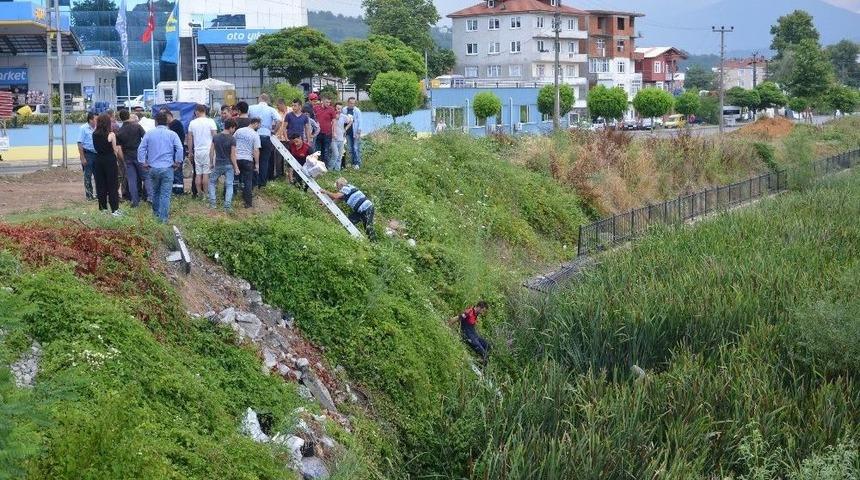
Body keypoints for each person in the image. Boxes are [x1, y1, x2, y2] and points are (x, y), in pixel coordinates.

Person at [139, 111, 184, 223]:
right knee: (165, 194)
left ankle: (155, 215)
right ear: (167, 122)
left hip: (153, 168)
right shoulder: (172, 134)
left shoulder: (149, 134)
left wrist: (143, 162)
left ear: (156, 122)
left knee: (155, 192)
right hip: (167, 168)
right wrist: (177, 162)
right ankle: (163, 219)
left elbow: (141, 148)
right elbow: (180, 148)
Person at [116, 110, 148, 207]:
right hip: (139, 155)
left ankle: (135, 201)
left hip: (127, 156)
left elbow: (118, 148)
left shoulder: (120, 131)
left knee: (132, 180)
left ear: (120, 118)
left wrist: (123, 159)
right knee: (146, 176)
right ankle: (150, 196)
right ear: (129, 116)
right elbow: (146, 138)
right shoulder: (137, 127)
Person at [91, 113, 122, 216]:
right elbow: (115, 150)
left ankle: (103, 209)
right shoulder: (111, 134)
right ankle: (114, 209)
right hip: (110, 160)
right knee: (112, 185)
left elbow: (95, 148)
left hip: (98, 159)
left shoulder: (94, 134)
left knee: (100, 185)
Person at [248, 93, 281, 187]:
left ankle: (253, 181)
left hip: (254, 135)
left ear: (259, 99)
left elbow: (246, 117)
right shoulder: (271, 109)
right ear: (268, 100)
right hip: (266, 136)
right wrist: (274, 131)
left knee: (253, 159)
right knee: (264, 160)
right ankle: (262, 182)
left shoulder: (251, 107)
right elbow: (279, 121)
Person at [187, 104, 218, 199]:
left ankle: (199, 194)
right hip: (208, 150)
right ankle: (205, 194)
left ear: (198, 111)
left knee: (198, 173)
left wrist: (190, 152)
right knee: (206, 173)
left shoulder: (192, 123)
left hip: (197, 151)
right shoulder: (211, 122)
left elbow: (189, 139)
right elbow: (215, 137)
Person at [209, 118, 239, 212]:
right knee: (229, 185)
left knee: (212, 182)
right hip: (229, 165)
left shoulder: (216, 137)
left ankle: (213, 204)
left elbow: (211, 151)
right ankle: (227, 206)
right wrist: (236, 167)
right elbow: (233, 155)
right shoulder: (232, 139)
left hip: (218, 164)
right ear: (231, 127)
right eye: (234, 128)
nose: (234, 131)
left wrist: (211, 163)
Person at [234, 117, 261, 208]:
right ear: (255, 123)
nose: (259, 127)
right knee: (248, 181)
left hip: (236, 158)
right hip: (248, 160)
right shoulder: (255, 134)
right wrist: (257, 164)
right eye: (259, 125)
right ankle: (248, 203)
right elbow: (256, 150)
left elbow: (233, 143)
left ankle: (231, 197)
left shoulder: (239, 131)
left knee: (234, 179)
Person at [163, 109, 187, 195]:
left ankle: (178, 191)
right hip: (175, 151)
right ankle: (175, 189)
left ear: (169, 116)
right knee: (174, 171)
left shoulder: (175, 124)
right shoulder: (174, 124)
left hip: (177, 151)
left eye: (165, 118)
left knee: (177, 170)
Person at [76, 112, 97, 200]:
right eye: (96, 119)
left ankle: (98, 194)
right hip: (88, 154)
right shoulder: (83, 128)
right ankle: (89, 195)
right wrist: (82, 157)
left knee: (98, 175)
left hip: (97, 154)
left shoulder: (97, 128)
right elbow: (79, 143)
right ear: (90, 120)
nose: (97, 121)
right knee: (87, 175)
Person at [313, 96, 336, 167]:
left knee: (326, 151)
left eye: (329, 102)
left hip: (327, 133)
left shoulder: (331, 109)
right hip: (318, 133)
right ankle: (317, 166)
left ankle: (325, 167)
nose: (328, 103)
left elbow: (334, 121)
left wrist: (334, 132)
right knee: (317, 150)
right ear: (322, 101)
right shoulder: (316, 108)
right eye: (327, 102)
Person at [342, 97, 362, 170]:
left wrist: (358, 132)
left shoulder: (357, 110)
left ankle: (357, 163)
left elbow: (360, 122)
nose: (352, 104)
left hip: (355, 131)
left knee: (356, 148)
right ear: (348, 102)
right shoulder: (344, 110)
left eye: (353, 103)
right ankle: (351, 162)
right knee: (350, 148)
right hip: (347, 132)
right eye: (351, 103)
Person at [329, 103, 349, 171]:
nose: (338, 110)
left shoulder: (343, 116)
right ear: (335, 108)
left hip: (341, 139)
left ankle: (337, 170)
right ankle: (330, 169)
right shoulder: (332, 116)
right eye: (337, 108)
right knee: (335, 154)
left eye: (340, 109)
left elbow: (351, 120)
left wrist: (345, 128)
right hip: (333, 139)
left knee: (340, 156)